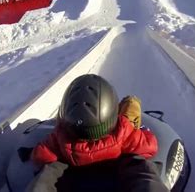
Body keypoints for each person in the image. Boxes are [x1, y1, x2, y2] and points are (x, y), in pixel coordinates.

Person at [27, 74, 169, 192]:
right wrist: (139, 129)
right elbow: (150, 145)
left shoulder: (60, 137)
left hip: (72, 171)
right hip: (119, 164)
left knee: (49, 172)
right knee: (139, 166)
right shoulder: (125, 132)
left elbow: (40, 154)